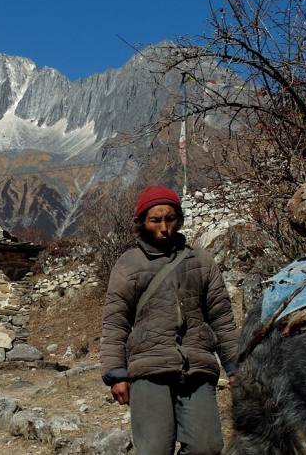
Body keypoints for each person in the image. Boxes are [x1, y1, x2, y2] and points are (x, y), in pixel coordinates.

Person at [100, 185, 238, 455]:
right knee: (154, 449)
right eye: (155, 220)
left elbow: (222, 317)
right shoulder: (128, 265)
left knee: (207, 447)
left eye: (170, 218)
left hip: (196, 367)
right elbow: (115, 323)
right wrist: (116, 374)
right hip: (148, 368)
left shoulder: (201, 261)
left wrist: (235, 366)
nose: (164, 227)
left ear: (179, 218)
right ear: (140, 222)